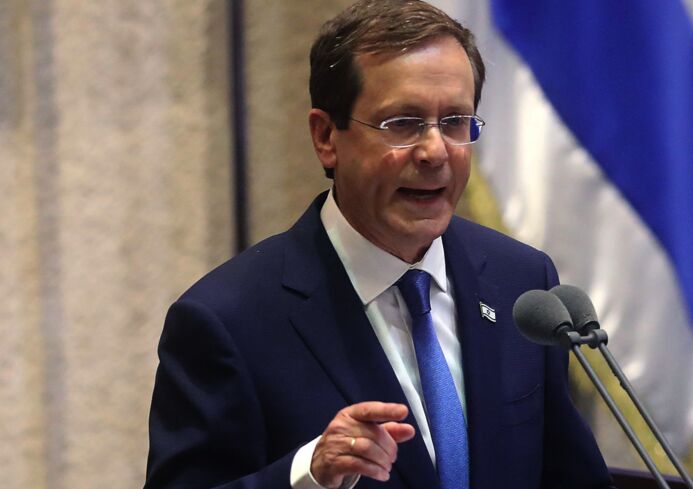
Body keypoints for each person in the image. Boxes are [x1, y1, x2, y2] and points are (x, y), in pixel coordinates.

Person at [145, 1, 613, 488]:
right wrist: (308, 473)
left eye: (455, 121)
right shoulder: (228, 321)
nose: (435, 151)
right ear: (326, 137)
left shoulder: (521, 282)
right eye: (403, 124)